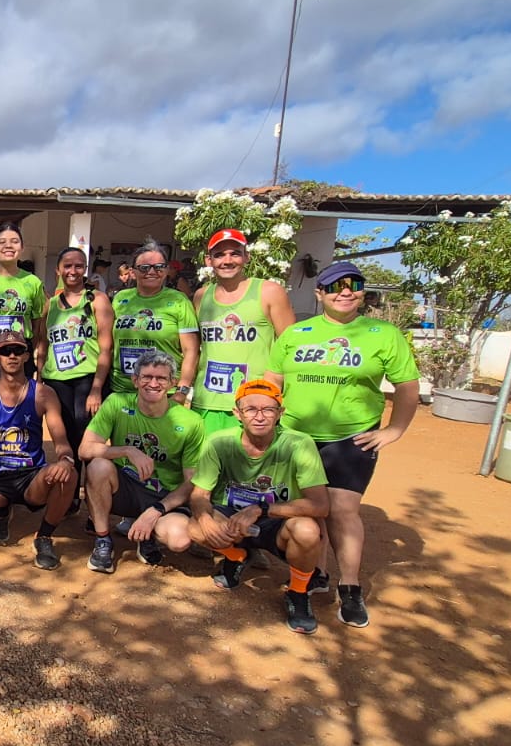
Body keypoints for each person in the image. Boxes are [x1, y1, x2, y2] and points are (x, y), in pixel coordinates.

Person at [267, 261, 420, 627]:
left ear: (363, 291)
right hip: (297, 435)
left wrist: (395, 429)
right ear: (320, 294)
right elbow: (272, 380)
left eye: (354, 284)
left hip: (351, 438)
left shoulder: (382, 334)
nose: (345, 291)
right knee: (305, 510)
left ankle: (350, 587)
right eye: (335, 286)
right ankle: (314, 574)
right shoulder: (296, 333)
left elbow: (407, 387)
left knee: (342, 509)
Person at [188, 379, 330, 635]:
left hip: (276, 521)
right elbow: (199, 495)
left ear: (280, 414)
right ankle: (236, 555)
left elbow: (320, 505)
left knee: (308, 531)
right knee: (196, 527)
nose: (260, 416)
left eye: (268, 409)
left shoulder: (299, 443)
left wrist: (262, 509)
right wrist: (207, 522)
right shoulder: (219, 441)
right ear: (237, 413)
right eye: (251, 409)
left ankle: (298, 593)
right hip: (232, 517)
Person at [0, 326, 77, 570]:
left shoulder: (43, 394)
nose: (12, 356)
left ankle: (44, 536)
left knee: (68, 476)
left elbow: (61, 442)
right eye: (5, 351)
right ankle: (1, 509)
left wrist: (65, 460)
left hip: (30, 477)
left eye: (17, 351)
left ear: (27, 356)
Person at [79, 351, 202, 573]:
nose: (153, 383)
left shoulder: (191, 421)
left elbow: (190, 483)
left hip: (163, 496)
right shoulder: (117, 403)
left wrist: (156, 510)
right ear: (135, 380)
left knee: (179, 539)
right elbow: (85, 449)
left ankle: (148, 535)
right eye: (146, 377)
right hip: (126, 487)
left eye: (161, 378)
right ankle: (103, 540)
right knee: (97, 466)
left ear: (173, 383)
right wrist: (127, 450)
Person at [191, 228, 295, 435]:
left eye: (235, 253)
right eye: (219, 255)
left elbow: (290, 346)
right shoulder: (202, 296)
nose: (227, 260)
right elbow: (195, 348)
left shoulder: (269, 291)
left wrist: (271, 394)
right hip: (207, 401)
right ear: (208, 260)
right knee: (205, 465)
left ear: (246, 257)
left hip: (253, 405)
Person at [42, 245, 113, 459]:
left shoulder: (97, 300)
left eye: (78, 266)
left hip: (87, 377)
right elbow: (42, 345)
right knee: (66, 439)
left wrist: (97, 388)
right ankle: (71, 491)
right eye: (67, 266)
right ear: (58, 270)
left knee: (88, 437)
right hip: (57, 379)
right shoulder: (50, 305)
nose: (72, 271)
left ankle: (92, 489)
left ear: (85, 268)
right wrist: (38, 377)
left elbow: (106, 347)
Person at [110, 238, 200, 398]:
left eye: (159, 267)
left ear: (166, 271)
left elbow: (191, 350)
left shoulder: (179, 301)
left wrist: (182, 391)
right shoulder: (120, 299)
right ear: (133, 271)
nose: (151, 272)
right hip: (122, 391)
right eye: (144, 268)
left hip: (163, 393)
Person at [0, 221, 47, 380]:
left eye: (15, 241)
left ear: (22, 248)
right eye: (2, 242)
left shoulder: (33, 282)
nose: (8, 246)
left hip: (20, 350)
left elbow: (38, 324)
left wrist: (33, 353)